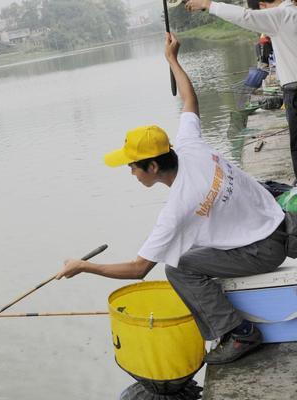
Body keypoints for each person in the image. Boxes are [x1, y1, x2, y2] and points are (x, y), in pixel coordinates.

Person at [56, 33, 288, 365]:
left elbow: (138, 270)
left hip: (265, 248)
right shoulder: (188, 144)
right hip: (276, 220)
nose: (131, 174)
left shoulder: (178, 206)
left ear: (152, 166)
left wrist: (85, 266)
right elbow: (189, 99)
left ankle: (239, 332)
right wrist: (172, 60)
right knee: (187, 249)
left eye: (133, 167)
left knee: (179, 267)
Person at [185, 0, 297, 184]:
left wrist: (208, 4)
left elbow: (245, 16)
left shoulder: (280, 16)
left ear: (262, 6)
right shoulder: (292, 13)